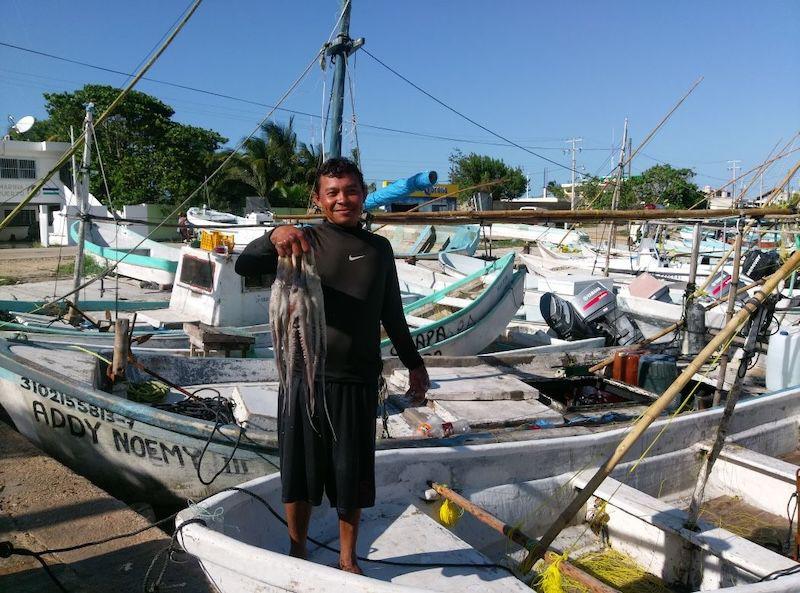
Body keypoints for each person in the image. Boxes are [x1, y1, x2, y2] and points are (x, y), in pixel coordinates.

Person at [235, 157, 429, 574]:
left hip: (358, 380)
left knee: (351, 476)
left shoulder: (379, 248)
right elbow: (245, 266)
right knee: (299, 473)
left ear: (363, 192)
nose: (344, 199)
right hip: (305, 379)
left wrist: (415, 364)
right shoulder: (301, 242)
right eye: (333, 192)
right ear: (318, 199)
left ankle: (347, 557)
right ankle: (297, 550)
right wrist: (272, 235)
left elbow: (391, 312)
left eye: (351, 191)